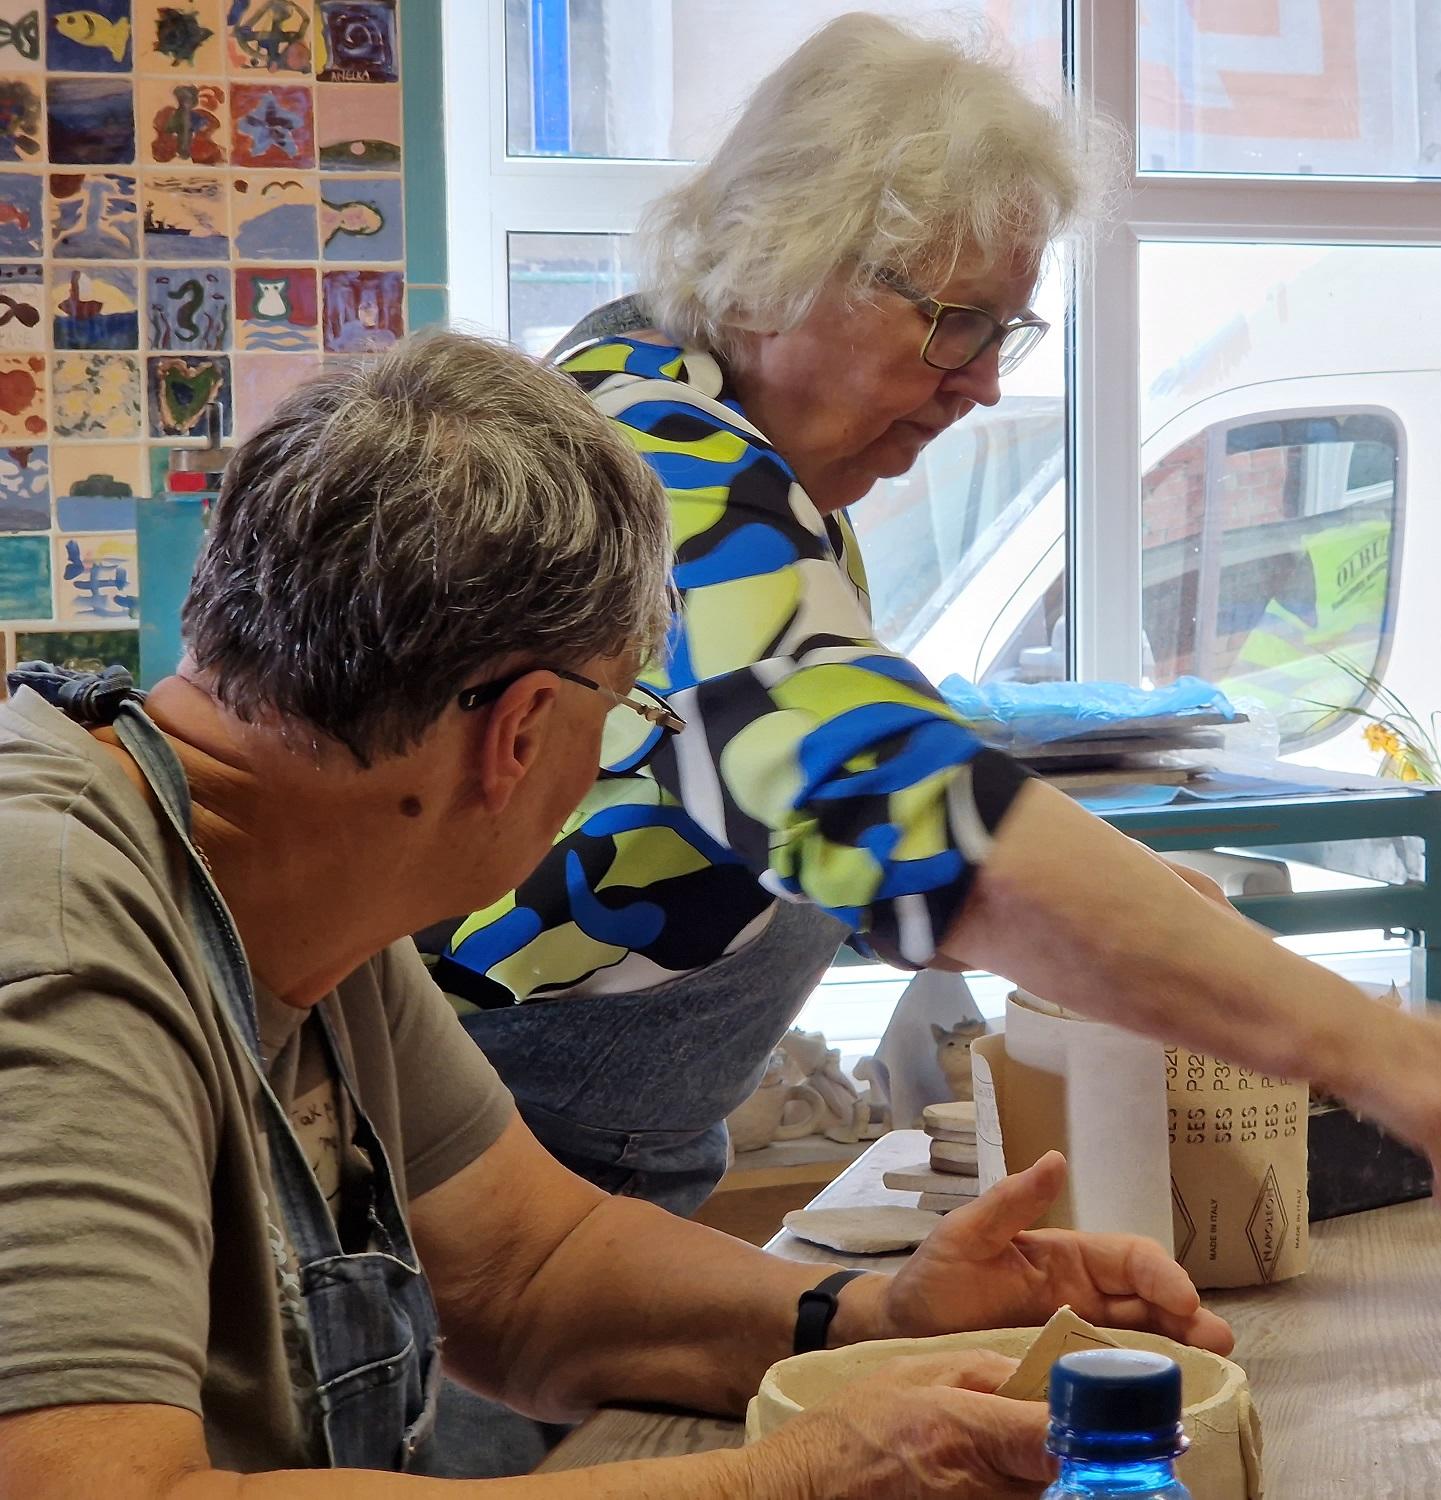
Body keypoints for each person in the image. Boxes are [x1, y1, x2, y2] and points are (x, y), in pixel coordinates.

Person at [0, 331, 1235, 1497]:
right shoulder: (58, 935)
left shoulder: (303, 884)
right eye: (625, 722)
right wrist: (787, 1474)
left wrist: (868, 1321)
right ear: (525, 730)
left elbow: (530, 1272)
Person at [425, 11, 1441, 1227]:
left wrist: (1117, 902)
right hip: (466, 1184)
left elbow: (820, 794)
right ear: (773, 268)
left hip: (574, 1167)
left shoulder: (732, 448)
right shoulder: (666, 466)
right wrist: (1364, 1044)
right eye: (951, 321)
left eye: (1000, 329)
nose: (984, 380)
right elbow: (887, 797)